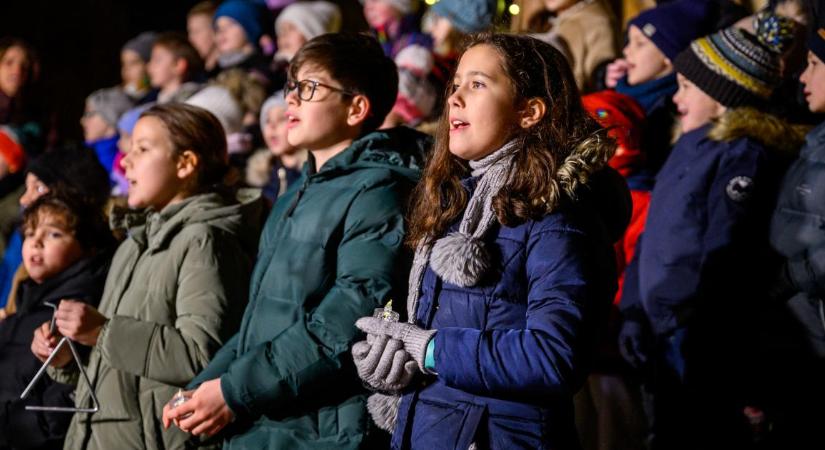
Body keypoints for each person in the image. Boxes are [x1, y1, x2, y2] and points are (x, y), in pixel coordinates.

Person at [353, 33, 628, 449]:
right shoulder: (460, 203)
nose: (454, 99)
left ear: (529, 111)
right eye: (455, 84)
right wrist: (397, 363)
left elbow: (553, 357)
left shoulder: (558, 218)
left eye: (477, 84)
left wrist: (430, 350)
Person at [162, 32, 429, 448]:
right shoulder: (292, 196)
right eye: (290, 86)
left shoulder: (379, 192)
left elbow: (349, 321)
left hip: (319, 431)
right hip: (265, 421)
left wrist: (235, 391)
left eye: (309, 87)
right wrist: (207, 385)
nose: (291, 99)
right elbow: (259, 322)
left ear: (356, 107)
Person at [618, 14, 805, 449]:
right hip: (658, 325)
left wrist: (685, 316)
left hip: (695, 333)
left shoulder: (740, 157)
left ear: (722, 97)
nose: (676, 97)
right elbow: (653, 236)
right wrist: (633, 308)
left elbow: (726, 248)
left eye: (687, 87)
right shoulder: (689, 144)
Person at [31, 103, 263, 449]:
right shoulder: (132, 244)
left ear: (185, 163)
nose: (124, 162)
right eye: (128, 149)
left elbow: (204, 357)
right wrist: (69, 360)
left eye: (142, 149)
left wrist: (101, 331)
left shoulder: (204, 240)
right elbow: (124, 376)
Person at [0, 195, 113, 450]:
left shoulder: (80, 314)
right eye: (29, 233)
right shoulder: (22, 306)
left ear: (87, 247)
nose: (35, 243)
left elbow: (62, 407)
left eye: (53, 235)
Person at [766, 26, 825, 449]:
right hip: (800, 335)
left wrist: (788, 274)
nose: (804, 75)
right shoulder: (815, 139)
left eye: (817, 65)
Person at [0, 145, 111, 316]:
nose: (23, 199)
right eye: (26, 187)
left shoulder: (87, 284)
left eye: (38, 188)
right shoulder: (25, 242)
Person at [245, 92, 306, 203]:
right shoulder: (261, 176)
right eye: (267, 121)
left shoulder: (310, 173)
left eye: (282, 119)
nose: (272, 126)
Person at [81, 87, 134, 186]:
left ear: (109, 117)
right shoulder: (83, 152)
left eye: (89, 114)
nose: (83, 121)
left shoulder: (120, 160)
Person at [147, 32, 204, 104]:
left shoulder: (193, 102)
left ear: (178, 65)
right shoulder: (157, 102)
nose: (149, 66)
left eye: (157, 60)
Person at [187, 1, 220, 77]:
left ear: (215, 32)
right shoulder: (193, 76)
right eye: (190, 32)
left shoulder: (230, 74)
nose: (191, 39)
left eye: (196, 32)